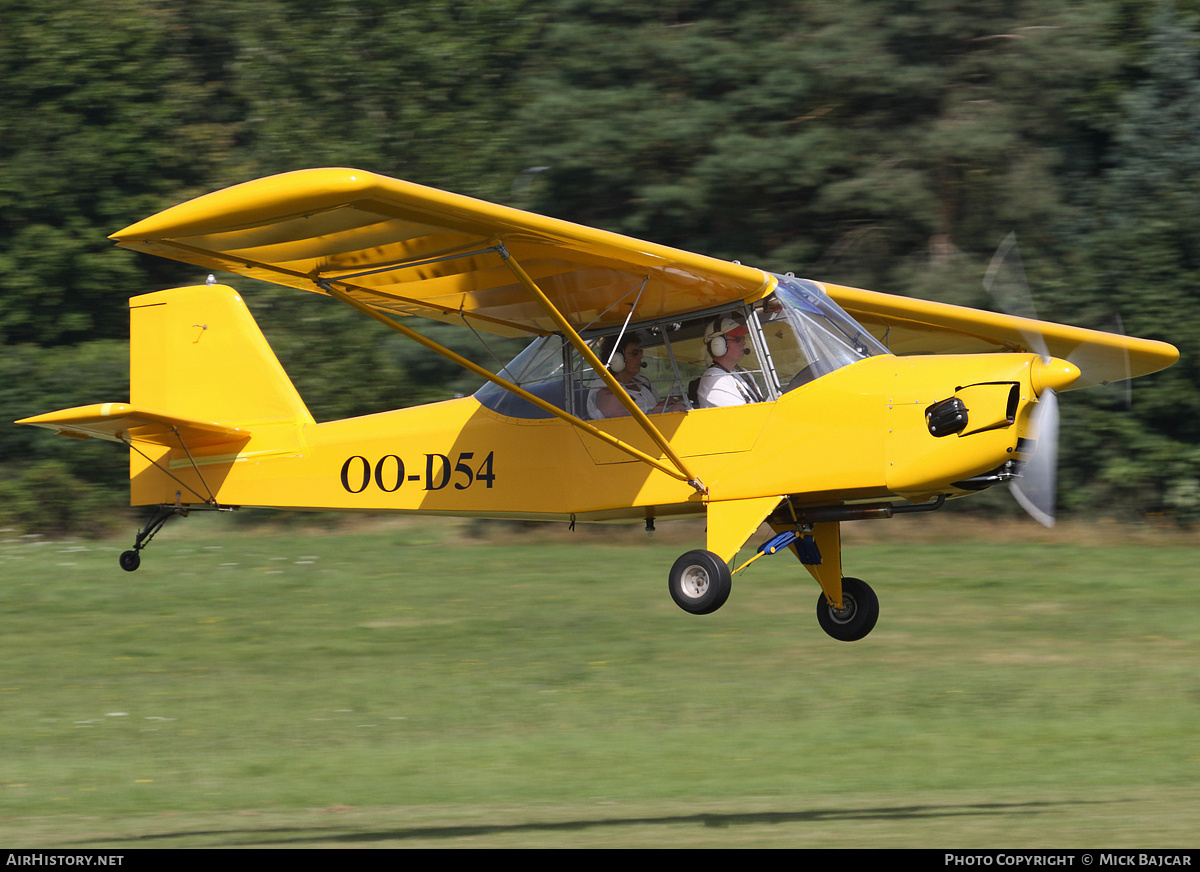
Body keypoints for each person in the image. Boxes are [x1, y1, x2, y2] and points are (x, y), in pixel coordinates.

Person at [587, 334, 683, 418]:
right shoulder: (606, 392)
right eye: (634, 353)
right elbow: (625, 424)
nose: (640, 356)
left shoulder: (643, 383)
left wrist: (668, 404)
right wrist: (659, 408)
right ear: (616, 359)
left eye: (640, 352)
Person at [696, 316, 764, 408]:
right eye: (737, 339)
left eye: (742, 338)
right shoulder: (714, 378)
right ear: (718, 344)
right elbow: (744, 415)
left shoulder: (742, 372)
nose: (743, 343)